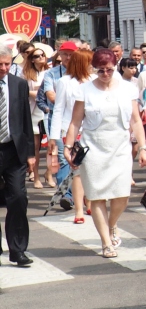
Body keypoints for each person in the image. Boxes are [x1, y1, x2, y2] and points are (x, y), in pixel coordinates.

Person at [63, 49, 146, 258]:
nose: (105, 74)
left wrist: (144, 147)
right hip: (94, 147)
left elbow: (136, 120)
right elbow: (76, 121)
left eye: (109, 70)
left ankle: (111, 225)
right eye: (100, 70)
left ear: (115, 67)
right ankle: (106, 242)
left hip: (120, 147)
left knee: (122, 195)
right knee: (98, 196)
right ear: (94, 69)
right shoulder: (85, 90)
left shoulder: (128, 89)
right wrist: (68, 146)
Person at [47, 48, 93, 223]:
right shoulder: (64, 81)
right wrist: (54, 136)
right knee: (77, 170)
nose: (92, 66)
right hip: (70, 130)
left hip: (90, 130)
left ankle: (90, 201)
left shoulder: (94, 80)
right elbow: (58, 109)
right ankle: (79, 209)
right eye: (89, 63)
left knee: (90, 169)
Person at [0, 49, 35, 268]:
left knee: (18, 198)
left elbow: (26, 120)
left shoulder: (18, 84)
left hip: (14, 150)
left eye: (6, 64)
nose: (3, 69)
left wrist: (30, 153)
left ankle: (18, 249)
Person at [38, 40, 77, 193]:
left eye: (71, 55)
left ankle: (79, 192)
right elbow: (50, 94)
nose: (68, 57)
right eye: (65, 54)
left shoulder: (82, 74)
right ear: (59, 54)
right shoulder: (51, 74)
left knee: (78, 158)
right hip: (58, 119)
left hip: (78, 121)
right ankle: (66, 193)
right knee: (62, 157)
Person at [21, 46, 49, 189]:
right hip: (33, 112)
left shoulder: (50, 72)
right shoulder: (25, 74)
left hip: (48, 112)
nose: (40, 58)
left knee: (53, 146)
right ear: (32, 59)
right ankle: (36, 176)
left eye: (42, 55)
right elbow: (24, 92)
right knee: (36, 147)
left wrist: (38, 92)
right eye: (37, 56)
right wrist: (39, 93)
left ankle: (49, 173)